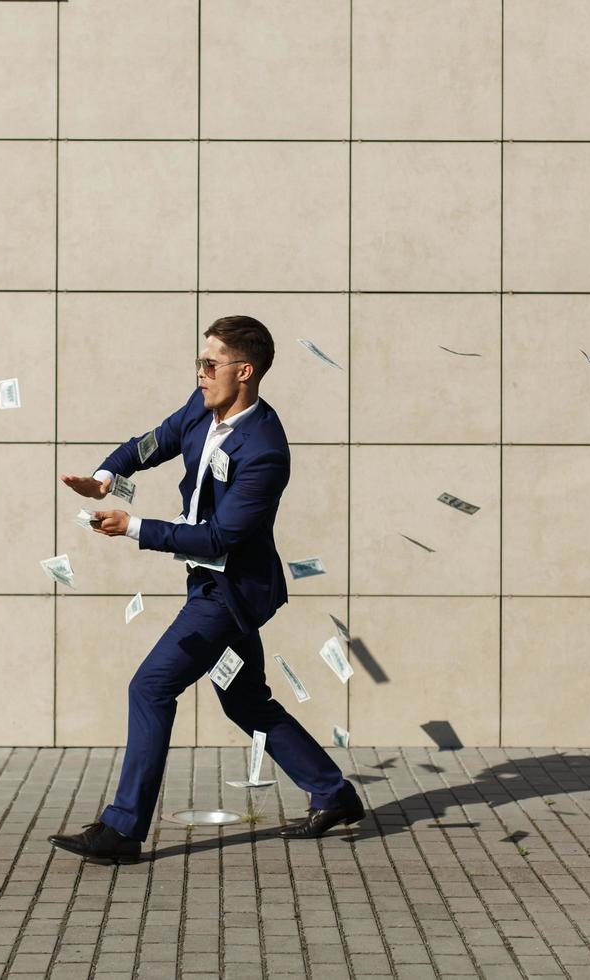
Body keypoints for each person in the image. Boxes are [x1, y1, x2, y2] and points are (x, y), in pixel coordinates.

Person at [49, 315, 364, 865]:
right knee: (245, 700)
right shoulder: (204, 408)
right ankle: (334, 794)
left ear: (244, 371)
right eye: (199, 361)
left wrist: (135, 527)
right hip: (206, 584)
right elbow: (154, 440)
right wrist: (105, 475)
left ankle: (123, 830)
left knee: (150, 687)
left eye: (209, 363)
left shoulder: (265, 450)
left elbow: (220, 536)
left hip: (231, 592)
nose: (199, 373)